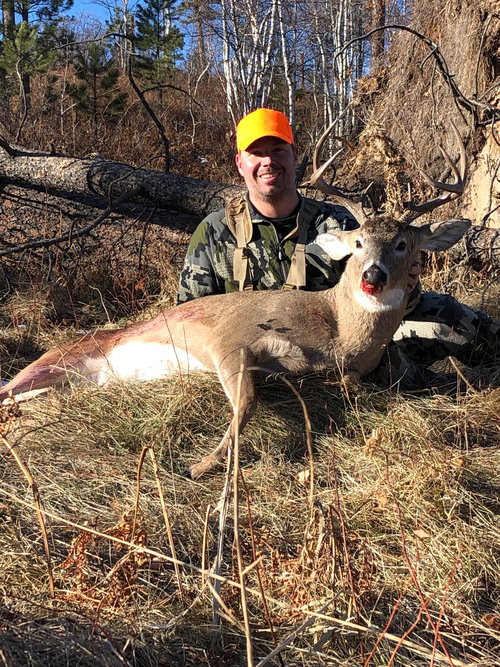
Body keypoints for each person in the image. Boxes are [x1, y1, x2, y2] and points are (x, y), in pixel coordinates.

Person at [177, 108, 499, 387]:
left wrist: (409, 282)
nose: (268, 161)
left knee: (451, 322)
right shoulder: (215, 232)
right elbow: (189, 318)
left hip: (339, 347)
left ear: (294, 154)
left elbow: (391, 300)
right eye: (256, 153)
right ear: (240, 162)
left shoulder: (338, 224)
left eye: (277, 150)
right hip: (251, 351)